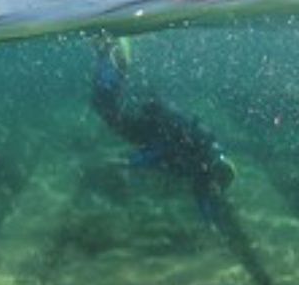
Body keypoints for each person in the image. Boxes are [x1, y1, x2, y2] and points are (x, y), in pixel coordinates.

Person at [91, 35, 236, 222]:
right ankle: (114, 59)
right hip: (149, 129)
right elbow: (162, 150)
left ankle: (109, 57)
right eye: (218, 187)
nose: (215, 191)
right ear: (216, 175)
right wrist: (131, 162)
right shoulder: (199, 158)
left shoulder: (205, 165)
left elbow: (201, 195)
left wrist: (210, 222)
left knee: (105, 106)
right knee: (104, 107)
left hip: (152, 128)